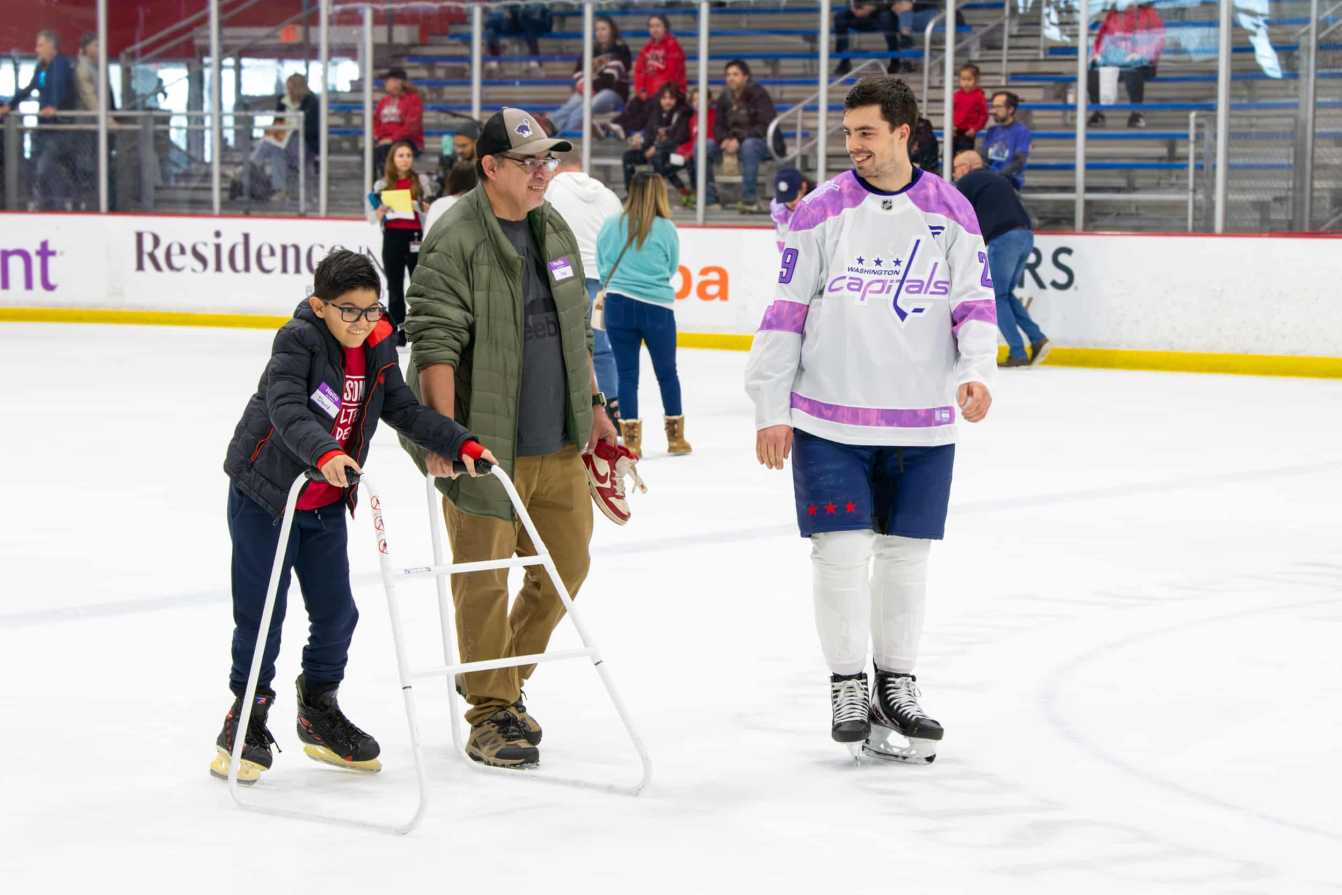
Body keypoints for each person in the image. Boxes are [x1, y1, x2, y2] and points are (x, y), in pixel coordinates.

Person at [744, 77, 995, 762]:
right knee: (842, 553)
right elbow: (785, 311)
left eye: (866, 132)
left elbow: (975, 302)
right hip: (830, 417)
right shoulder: (822, 209)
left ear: (903, 132)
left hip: (923, 420)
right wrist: (771, 406)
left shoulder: (951, 211)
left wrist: (975, 372)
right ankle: (849, 682)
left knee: (907, 560)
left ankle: (898, 684)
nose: (852, 145)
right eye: (848, 132)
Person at [215, 249, 494, 785]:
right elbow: (287, 407)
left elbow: (403, 408)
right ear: (319, 306)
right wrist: (324, 453)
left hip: (324, 502)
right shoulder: (297, 341)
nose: (363, 322)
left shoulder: (377, 341)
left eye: (372, 311)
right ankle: (245, 717)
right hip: (267, 496)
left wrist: (461, 443)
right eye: (349, 311)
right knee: (262, 615)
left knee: (338, 614)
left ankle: (318, 709)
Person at [403, 107, 618, 769]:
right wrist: (443, 432)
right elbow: (434, 339)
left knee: (568, 563)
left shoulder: (550, 226)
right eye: (528, 162)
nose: (542, 172)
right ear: (490, 167)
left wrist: (596, 408)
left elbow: (576, 327)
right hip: (483, 445)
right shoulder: (456, 235)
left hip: (556, 439)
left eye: (547, 159)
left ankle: (497, 674)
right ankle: (491, 711)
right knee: (483, 580)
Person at [596, 172, 690, 458]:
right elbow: (672, 266)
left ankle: (632, 440)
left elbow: (601, 264)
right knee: (667, 373)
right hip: (656, 308)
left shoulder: (611, 224)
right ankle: (675, 438)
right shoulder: (666, 228)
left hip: (618, 305)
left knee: (626, 375)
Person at [953, 150, 1049, 368]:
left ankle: (1017, 352)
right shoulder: (996, 178)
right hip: (1025, 236)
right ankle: (1037, 339)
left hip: (1003, 238)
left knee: (996, 296)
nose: (955, 173)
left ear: (967, 167)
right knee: (1004, 294)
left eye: (957, 168)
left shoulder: (969, 181)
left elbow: (958, 214)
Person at [546, 151, 623, 415]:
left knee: (559, 343)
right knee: (601, 345)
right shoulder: (608, 196)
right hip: (602, 279)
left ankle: (564, 403)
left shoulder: (551, 190)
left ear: (555, 165)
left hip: (564, 273)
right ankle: (612, 403)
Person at [1, 29, 78, 210]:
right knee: (40, 168)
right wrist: (9, 105)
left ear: (52, 46)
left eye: (41, 45)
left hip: (59, 129)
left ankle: (57, 205)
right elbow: (29, 88)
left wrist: (54, 106)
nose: (37, 49)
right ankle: (48, 204)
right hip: (45, 128)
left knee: (46, 167)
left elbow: (60, 89)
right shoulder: (41, 68)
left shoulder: (61, 65)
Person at [371, 141, 434, 346]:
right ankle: (398, 328)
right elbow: (373, 217)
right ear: (393, 159)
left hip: (415, 236)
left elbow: (430, 209)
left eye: (408, 155)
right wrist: (381, 210)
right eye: (401, 155)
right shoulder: (381, 185)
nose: (405, 159)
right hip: (392, 237)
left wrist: (419, 205)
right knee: (395, 286)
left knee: (418, 285)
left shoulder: (421, 181)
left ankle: (419, 327)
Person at [711, 59, 776, 214]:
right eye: (728, 75)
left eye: (735, 74)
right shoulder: (724, 96)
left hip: (762, 143)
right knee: (704, 146)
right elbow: (718, 125)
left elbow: (764, 124)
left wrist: (739, 141)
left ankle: (749, 200)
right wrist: (724, 139)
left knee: (749, 145)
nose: (730, 78)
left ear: (745, 77)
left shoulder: (758, 94)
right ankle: (708, 199)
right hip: (733, 142)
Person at [1088, 1, 1165, 129]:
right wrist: (1098, 54)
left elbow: (1158, 39)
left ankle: (1136, 114)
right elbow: (1102, 38)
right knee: (1093, 71)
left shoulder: (1149, 14)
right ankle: (1098, 112)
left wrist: (1142, 54)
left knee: (1132, 70)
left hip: (1143, 62)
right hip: (1116, 60)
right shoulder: (1114, 15)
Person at [549, 15, 631, 135]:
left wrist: (590, 86)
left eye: (603, 29)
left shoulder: (620, 49)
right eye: (597, 29)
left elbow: (610, 79)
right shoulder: (590, 48)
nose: (600, 32)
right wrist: (583, 85)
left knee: (584, 108)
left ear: (612, 30)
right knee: (570, 105)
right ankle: (549, 128)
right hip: (590, 89)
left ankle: (566, 136)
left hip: (613, 94)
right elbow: (578, 71)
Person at [610, 14, 686, 138]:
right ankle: (614, 125)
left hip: (671, 93)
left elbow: (670, 75)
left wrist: (653, 93)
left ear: (665, 28)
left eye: (658, 26)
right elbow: (639, 71)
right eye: (651, 26)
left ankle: (624, 128)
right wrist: (641, 90)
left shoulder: (673, 46)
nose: (654, 29)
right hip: (650, 93)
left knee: (649, 106)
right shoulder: (646, 48)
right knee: (635, 103)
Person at [621, 83, 689, 195]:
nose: (667, 101)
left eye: (671, 98)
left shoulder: (682, 113)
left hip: (678, 156)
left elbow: (678, 139)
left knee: (659, 159)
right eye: (664, 98)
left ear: (677, 99)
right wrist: (640, 142)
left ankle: (657, 196)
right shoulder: (656, 112)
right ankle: (632, 195)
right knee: (628, 157)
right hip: (653, 153)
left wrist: (656, 148)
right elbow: (649, 134)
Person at [664, 86, 717, 208]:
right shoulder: (692, 118)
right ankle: (686, 192)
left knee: (693, 159)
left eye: (701, 99)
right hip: (692, 152)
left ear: (709, 101)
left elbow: (709, 139)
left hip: (708, 152)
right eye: (695, 100)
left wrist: (689, 152)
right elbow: (692, 140)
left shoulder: (714, 115)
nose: (698, 102)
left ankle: (703, 195)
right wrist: (681, 150)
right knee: (666, 162)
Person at [372, 68, 424, 175]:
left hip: (407, 140)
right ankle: (377, 186)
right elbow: (376, 121)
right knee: (370, 153)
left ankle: (390, 182)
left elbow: (411, 126)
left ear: (398, 82)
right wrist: (379, 137)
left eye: (388, 81)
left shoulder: (413, 99)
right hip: (385, 141)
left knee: (385, 151)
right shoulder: (384, 101)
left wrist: (392, 139)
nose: (385, 83)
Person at [833, 1, 902, 77]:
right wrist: (855, 9)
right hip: (858, 12)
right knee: (840, 16)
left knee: (887, 17)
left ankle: (895, 61)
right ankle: (844, 61)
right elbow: (851, 2)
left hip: (879, 13)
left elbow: (892, 3)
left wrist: (872, 8)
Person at [979, 90, 1030, 190]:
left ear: (1010, 109)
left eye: (998, 107)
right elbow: (984, 158)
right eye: (993, 107)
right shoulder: (991, 131)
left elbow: (1019, 162)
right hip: (991, 181)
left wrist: (998, 176)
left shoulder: (1021, 131)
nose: (993, 111)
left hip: (1011, 182)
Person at [484, 3, 554, 71]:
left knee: (526, 22)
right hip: (510, 22)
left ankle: (535, 60)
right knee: (491, 29)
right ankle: (495, 61)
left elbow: (538, 11)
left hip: (526, 21)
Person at [424, 160, 479, 235]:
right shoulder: (483, 206)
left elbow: (428, 239)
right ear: (476, 181)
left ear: (451, 179)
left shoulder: (438, 205)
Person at [769, 168, 812, 251]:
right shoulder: (779, 209)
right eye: (784, 198)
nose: (789, 203)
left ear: (803, 187)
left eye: (793, 196)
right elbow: (783, 241)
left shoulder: (820, 200)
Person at [951, 63, 987, 154]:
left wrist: (975, 129)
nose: (966, 83)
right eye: (963, 79)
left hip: (968, 132)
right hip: (955, 130)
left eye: (969, 79)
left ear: (976, 80)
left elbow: (983, 115)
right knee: (950, 154)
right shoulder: (956, 95)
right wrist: (951, 126)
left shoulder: (979, 96)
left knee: (965, 155)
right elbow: (951, 111)